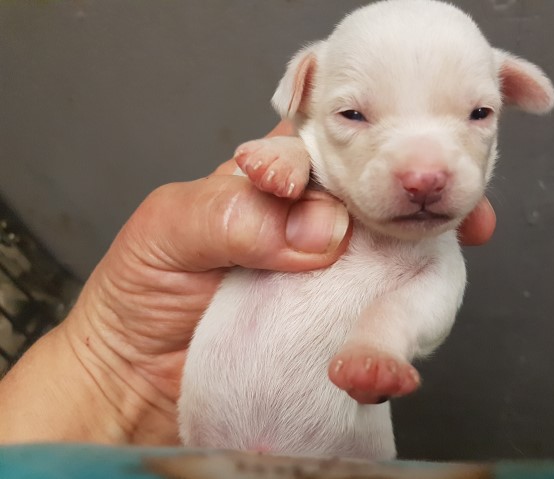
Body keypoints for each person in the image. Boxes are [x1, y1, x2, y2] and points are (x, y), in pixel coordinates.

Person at [0, 121, 495, 445]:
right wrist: (290, 154)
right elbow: (304, 142)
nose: (423, 172)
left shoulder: (435, 255)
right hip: (194, 442)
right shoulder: (311, 162)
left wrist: (383, 340)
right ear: (307, 87)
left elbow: (429, 303)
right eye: (356, 114)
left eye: (473, 115)